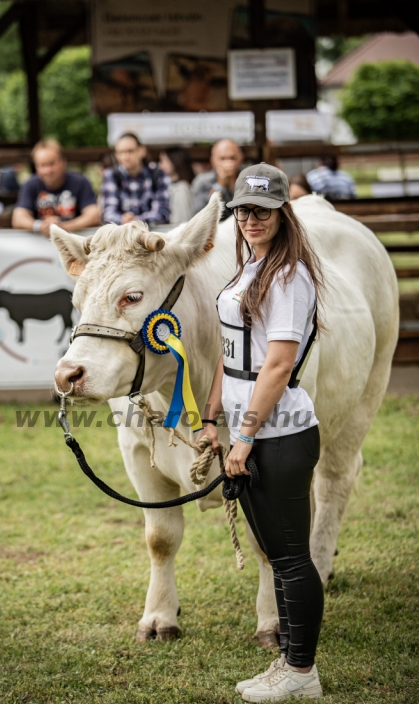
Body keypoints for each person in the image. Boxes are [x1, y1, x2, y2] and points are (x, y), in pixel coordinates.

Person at [197, 162, 325, 701]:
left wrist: (245, 437)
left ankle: (301, 672)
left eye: (263, 210)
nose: (251, 218)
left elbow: (275, 366)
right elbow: (232, 357)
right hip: (251, 430)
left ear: (282, 213)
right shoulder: (250, 265)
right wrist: (211, 419)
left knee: (291, 557)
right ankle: (290, 664)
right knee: (276, 552)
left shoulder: (289, 276)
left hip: (281, 434)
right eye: (243, 210)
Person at [12, 139, 101, 237]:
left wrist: (64, 227)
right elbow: (18, 218)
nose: (47, 170)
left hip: (73, 242)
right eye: (42, 165)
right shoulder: (30, 184)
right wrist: (39, 226)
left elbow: (94, 215)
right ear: (36, 167)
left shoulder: (80, 182)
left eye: (51, 164)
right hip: (40, 244)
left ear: (63, 161)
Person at [102, 133, 170, 225]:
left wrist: (136, 221)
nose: (125, 156)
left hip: (152, 233)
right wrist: (124, 220)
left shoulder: (158, 173)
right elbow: (108, 214)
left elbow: (162, 213)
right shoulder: (111, 175)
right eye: (120, 152)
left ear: (142, 151)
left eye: (130, 151)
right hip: (122, 235)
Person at [192, 139, 244, 219]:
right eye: (222, 159)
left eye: (232, 158)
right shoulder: (202, 182)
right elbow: (199, 215)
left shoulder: (249, 180)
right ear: (213, 161)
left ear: (240, 158)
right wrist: (220, 184)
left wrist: (233, 185)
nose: (228, 163)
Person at [159, 146, 194, 224]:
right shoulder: (170, 185)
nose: (161, 166)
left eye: (163, 161)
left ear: (174, 161)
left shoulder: (181, 188)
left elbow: (180, 220)